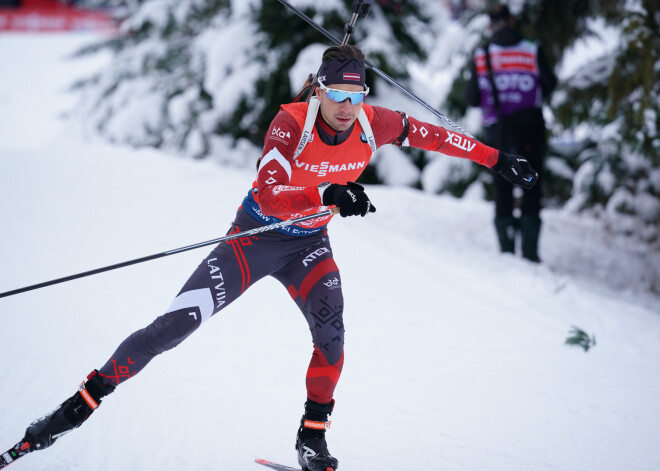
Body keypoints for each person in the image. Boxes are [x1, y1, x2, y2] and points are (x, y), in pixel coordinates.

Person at [15, 44, 537, 471]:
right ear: (319, 91)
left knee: (332, 335)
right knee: (172, 328)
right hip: (254, 238)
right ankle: (77, 407)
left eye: (356, 96)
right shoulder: (290, 124)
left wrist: (499, 160)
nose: (347, 106)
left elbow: (436, 136)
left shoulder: (374, 123)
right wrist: (329, 194)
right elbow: (268, 190)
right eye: (336, 94)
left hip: (309, 245)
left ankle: (312, 438)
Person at [465, 4, 557, 262]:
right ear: (512, 21)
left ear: (490, 25)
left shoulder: (483, 55)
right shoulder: (532, 49)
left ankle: (507, 254)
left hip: (499, 133)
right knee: (532, 185)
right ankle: (530, 254)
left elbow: (472, 97)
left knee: (502, 189)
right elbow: (550, 84)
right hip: (531, 130)